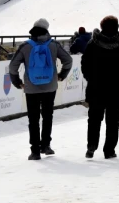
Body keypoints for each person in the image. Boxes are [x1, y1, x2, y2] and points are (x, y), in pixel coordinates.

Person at [9, 18, 73, 160]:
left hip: (31, 88)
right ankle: (46, 146)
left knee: (33, 119)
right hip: (50, 86)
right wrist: (61, 75)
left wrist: (17, 82)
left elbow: (12, 67)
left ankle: (35, 151)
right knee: (47, 116)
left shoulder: (25, 46)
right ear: (47, 30)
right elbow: (68, 60)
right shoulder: (54, 45)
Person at [80, 15, 119, 160]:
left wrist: (90, 78)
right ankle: (109, 150)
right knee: (113, 121)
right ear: (117, 27)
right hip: (116, 88)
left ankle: (91, 147)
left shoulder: (93, 43)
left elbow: (84, 64)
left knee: (94, 120)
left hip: (96, 88)